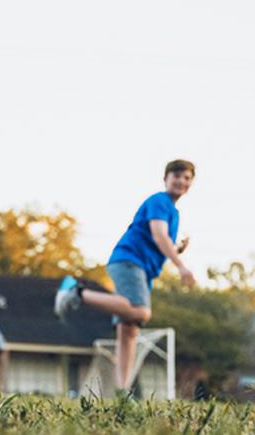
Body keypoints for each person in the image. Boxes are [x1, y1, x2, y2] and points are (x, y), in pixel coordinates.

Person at [55, 159, 196, 393]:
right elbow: (159, 236)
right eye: (177, 175)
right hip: (130, 261)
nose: (181, 181)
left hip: (143, 268)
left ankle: (122, 390)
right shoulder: (159, 201)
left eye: (187, 178)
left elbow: (161, 243)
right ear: (166, 179)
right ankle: (76, 292)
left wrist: (177, 248)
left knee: (129, 330)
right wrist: (181, 265)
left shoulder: (173, 212)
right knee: (141, 311)